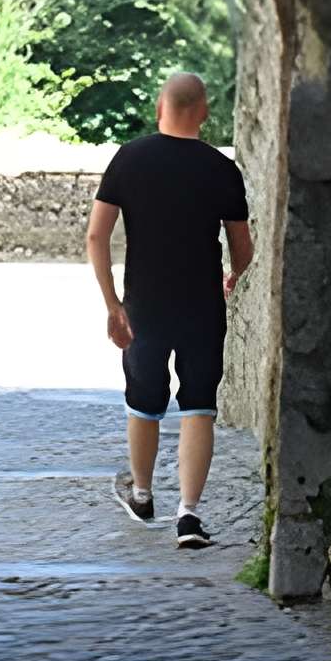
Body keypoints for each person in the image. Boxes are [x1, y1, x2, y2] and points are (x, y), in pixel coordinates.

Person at [86, 70, 253, 548]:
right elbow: (242, 246)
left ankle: (141, 494)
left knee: (144, 403)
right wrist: (235, 275)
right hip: (202, 306)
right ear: (203, 112)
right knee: (199, 408)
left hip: (145, 307)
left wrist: (112, 303)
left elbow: (97, 236)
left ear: (160, 107)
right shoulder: (222, 169)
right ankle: (189, 516)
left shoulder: (129, 159)